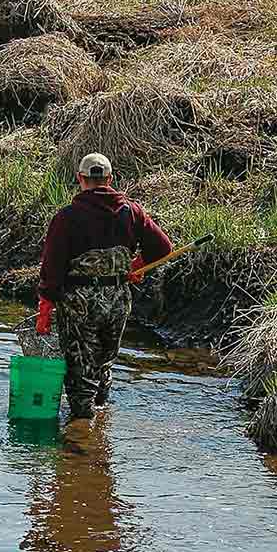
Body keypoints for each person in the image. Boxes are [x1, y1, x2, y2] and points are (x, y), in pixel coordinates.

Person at [36, 153, 172, 419]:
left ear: (80, 179)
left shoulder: (67, 217)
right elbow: (163, 248)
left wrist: (45, 307)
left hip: (80, 304)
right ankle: (101, 426)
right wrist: (135, 265)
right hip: (117, 302)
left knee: (79, 369)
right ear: (109, 180)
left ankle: (82, 431)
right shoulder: (132, 212)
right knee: (104, 362)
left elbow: (52, 269)